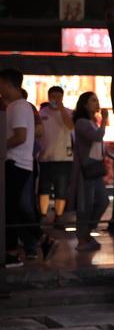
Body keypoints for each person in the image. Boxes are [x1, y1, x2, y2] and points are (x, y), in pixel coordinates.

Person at [1, 69, 41, 265]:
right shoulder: (19, 106)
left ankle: (12, 252)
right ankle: (41, 239)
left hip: (16, 162)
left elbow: (20, 137)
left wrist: (2, 145)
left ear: (8, 84)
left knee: (11, 209)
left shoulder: (18, 107)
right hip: (18, 163)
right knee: (15, 208)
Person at [71, 91, 109, 252]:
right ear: (85, 104)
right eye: (93, 100)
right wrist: (104, 120)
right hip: (86, 169)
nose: (97, 103)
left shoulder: (92, 121)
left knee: (103, 200)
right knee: (85, 204)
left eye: (97, 100)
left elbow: (97, 143)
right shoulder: (82, 122)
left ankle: (87, 231)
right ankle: (82, 237)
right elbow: (96, 137)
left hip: (95, 168)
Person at [38, 85, 74, 224]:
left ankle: (59, 217)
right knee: (44, 189)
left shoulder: (69, 112)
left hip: (64, 158)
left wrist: (61, 109)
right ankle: (43, 215)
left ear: (62, 97)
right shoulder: (42, 113)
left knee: (61, 190)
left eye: (58, 97)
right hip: (45, 157)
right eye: (53, 97)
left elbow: (70, 126)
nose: (56, 99)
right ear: (48, 97)